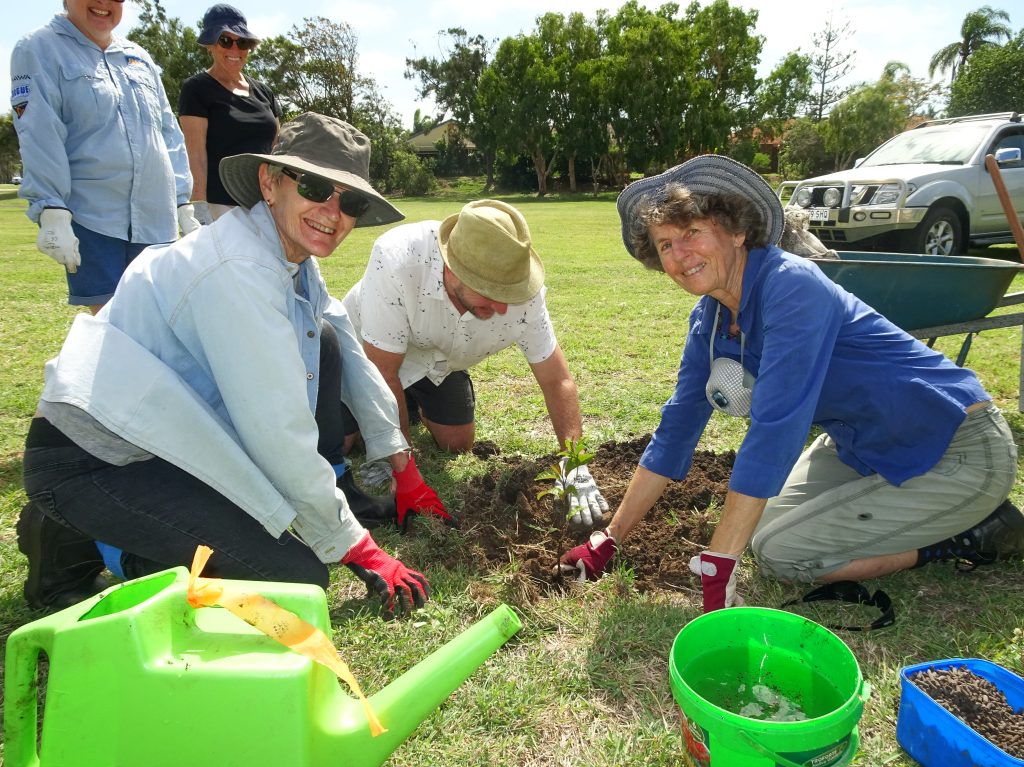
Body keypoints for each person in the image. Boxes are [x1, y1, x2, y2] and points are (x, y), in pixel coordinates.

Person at [17, 113, 445, 618]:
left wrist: (403, 467)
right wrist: (358, 548)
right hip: (96, 455)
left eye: (349, 201)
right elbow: (277, 435)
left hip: (165, 445)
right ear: (270, 182)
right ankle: (81, 538)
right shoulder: (240, 270)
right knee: (293, 579)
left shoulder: (294, 265)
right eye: (314, 187)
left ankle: (95, 522)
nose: (333, 212)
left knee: (326, 343)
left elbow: (351, 355)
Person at [559, 154, 1023, 612]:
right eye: (664, 245)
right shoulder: (711, 318)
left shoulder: (792, 286)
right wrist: (609, 538)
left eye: (692, 233)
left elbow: (776, 428)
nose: (679, 255)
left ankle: (970, 535)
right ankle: (912, 513)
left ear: (737, 231)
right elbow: (677, 427)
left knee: (785, 553)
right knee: (763, 536)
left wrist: (719, 563)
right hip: (859, 446)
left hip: (955, 443)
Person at [342, 199, 609, 528]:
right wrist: (405, 470)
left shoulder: (525, 297)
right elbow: (383, 373)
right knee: (344, 441)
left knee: (458, 443)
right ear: (452, 270)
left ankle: (409, 406)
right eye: (488, 292)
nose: (500, 306)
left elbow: (558, 381)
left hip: (438, 363)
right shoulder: (397, 260)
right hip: (370, 355)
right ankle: (370, 416)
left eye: (507, 292)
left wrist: (575, 463)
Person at [10, 0, 200, 314]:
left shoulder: (138, 56)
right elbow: (39, 131)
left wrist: (182, 202)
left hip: (157, 221)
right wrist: (51, 209)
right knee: (115, 329)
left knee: (163, 324)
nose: (103, 3)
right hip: (95, 221)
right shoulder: (38, 48)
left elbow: (169, 132)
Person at [179, 4, 281, 224]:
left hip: (265, 207)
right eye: (225, 40)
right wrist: (199, 209)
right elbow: (196, 156)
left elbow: (278, 151)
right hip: (221, 208)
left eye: (242, 42)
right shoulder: (196, 89)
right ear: (210, 45)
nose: (235, 49)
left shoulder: (265, 92)